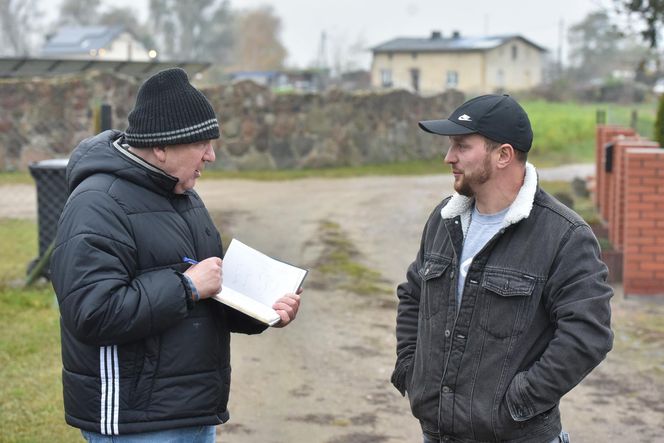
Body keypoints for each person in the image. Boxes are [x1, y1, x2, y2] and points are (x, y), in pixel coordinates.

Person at [50, 67, 301, 442]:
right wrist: (185, 286)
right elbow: (92, 313)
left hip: (192, 412)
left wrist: (263, 311)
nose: (211, 156)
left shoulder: (184, 196)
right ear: (162, 147)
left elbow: (207, 292)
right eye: (202, 144)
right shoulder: (97, 203)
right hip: (136, 422)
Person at [391, 94, 613, 443]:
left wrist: (517, 403)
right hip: (438, 434)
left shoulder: (564, 235)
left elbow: (588, 334)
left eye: (462, 146)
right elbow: (413, 295)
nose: (449, 157)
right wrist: (411, 370)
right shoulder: (444, 219)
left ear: (503, 155)